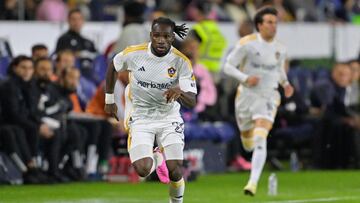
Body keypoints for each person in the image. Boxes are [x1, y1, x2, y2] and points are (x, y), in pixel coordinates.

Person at [105, 17, 197, 203]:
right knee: (142, 170)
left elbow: (192, 100)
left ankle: (176, 201)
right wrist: (109, 99)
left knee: (176, 168)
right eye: (157, 36)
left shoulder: (181, 62)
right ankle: (157, 159)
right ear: (151, 36)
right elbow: (113, 67)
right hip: (140, 116)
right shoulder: (134, 53)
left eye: (166, 36)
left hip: (168, 116)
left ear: (172, 38)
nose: (161, 40)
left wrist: (179, 92)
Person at [223, 7, 294, 196]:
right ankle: (250, 149)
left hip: (269, 96)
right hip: (247, 97)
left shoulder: (280, 48)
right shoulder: (247, 44)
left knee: (261, 137)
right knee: (248, 143)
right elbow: (228, 67)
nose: (274, 26)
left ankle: (252, 183)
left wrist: (285, 83)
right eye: (269, 22)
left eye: (275, 22)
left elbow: (279, 69)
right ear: (259, 25)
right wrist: (245, 78)